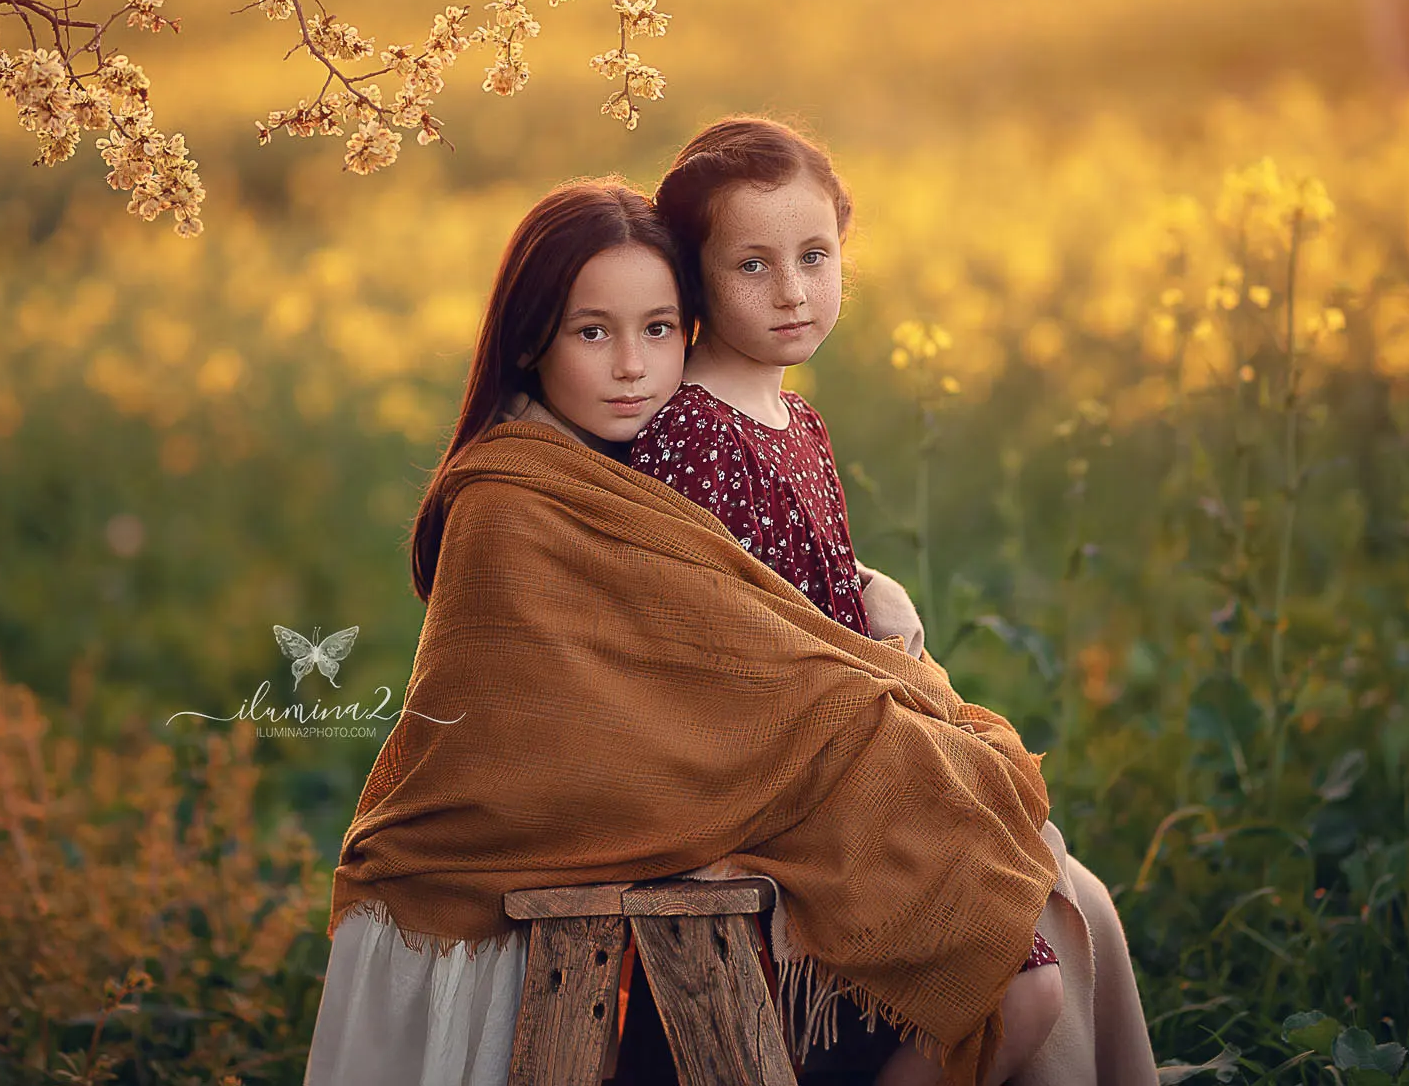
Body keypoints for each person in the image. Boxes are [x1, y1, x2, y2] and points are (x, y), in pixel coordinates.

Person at [307, 178, 1069, 1086]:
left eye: (659, 329)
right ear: (529, 339)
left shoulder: (633, 466)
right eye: (593, 332)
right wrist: (863, 698)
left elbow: (731, 638)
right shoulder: (509, 502)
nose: (632, 364)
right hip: (485, 889)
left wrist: (865, 622)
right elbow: (573, 732)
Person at [632, 116, 1160, 1086]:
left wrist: (874, 594)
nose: (792, 290)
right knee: (1024, 980)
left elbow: (811, 589)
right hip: (786, 779)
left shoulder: (794, 419)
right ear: (692, 277)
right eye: (751, 265)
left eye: (813, 255)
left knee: (1046, 880)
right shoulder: (693, 436)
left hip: (850, 745)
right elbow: (725, 644)